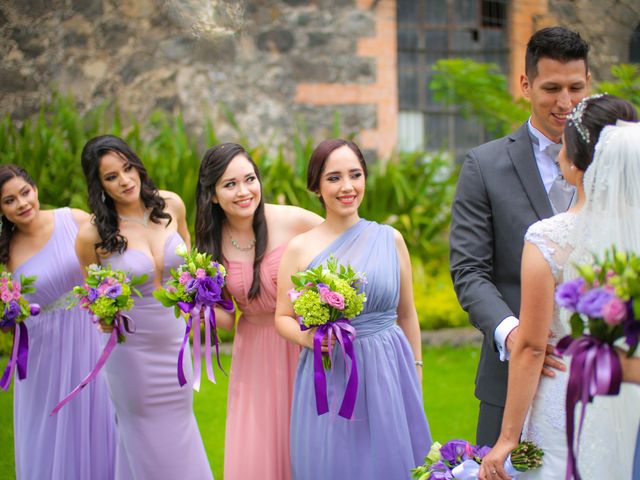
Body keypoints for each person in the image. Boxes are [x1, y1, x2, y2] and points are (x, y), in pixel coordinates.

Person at [478, 96, 640, 480]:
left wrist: (507, 439)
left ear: (579, 161)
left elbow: (533, 347)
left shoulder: (549, 239)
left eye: (566, 141)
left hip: (569, 395)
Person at [449, 26, 590, 446]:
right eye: (551, 88)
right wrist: (515, 335)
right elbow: (469, 271)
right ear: (526, 84)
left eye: (575, 87)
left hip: (600, 375)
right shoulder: (484, 165)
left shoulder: (617, 167)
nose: (565, 103)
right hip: (509, 377)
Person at [274, 139, 431, 479]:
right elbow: (282, 317)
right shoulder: (299, 249)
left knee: (392, 462)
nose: (347, 187)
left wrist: (415, 369)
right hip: (332, 372)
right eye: (333, 178)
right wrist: (309, 338)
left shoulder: (391, 239)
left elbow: (407, 314)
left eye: (355, 175)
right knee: (337, 462)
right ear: (316, 185)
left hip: (389, 368)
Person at [76, 135, 212, 479]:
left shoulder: (171, 205)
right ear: (99, 185)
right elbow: (94, 297)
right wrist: (103, 315)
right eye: (111, 176)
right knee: (143, 437)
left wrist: (199, 291)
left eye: (127, 168)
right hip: (131, 351)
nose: (125, 180)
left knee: (181, 428)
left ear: (137, 165)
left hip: (174, 340)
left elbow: (190, 266)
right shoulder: (92, 235)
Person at [195, 143, 322, 480]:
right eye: (230, 184)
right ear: (212, 195)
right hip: (254, 352)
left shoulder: (292, 219)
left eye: (249, 179)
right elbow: (225, 320)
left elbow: (345, 240)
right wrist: (194, 309)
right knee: (262, 445)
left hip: (301, 341)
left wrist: (332, 300)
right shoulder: (211, 243)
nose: (244, 191)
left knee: (308, 437)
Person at [0, 164, 116, 479]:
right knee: (49, 426)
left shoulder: (74, 219)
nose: (22, 204)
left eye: (25, 192)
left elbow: (116, 261)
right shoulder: (6, 252)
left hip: (90, 334)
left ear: (35, 189)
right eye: (9, 200)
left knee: (98, 415)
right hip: (42, 352)